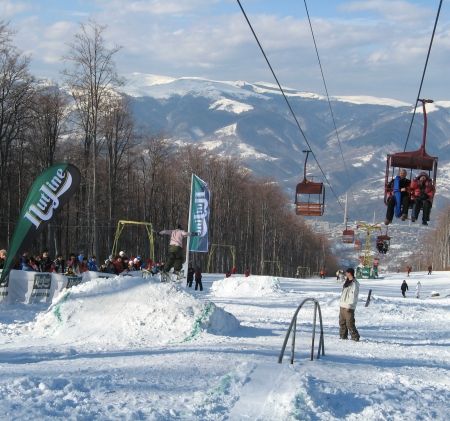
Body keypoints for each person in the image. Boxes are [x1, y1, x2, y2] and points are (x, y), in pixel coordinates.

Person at [339, 268, 360, 341]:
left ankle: (355, 337)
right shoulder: (346, 282)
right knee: (342, 323)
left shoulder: (354, 283)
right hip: (342, 305)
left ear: (350, 273)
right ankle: (343, 337)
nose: (345, 274)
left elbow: (353, 295)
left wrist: (350, 305)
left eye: (346, 273)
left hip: (349, 307)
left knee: (349, 324)